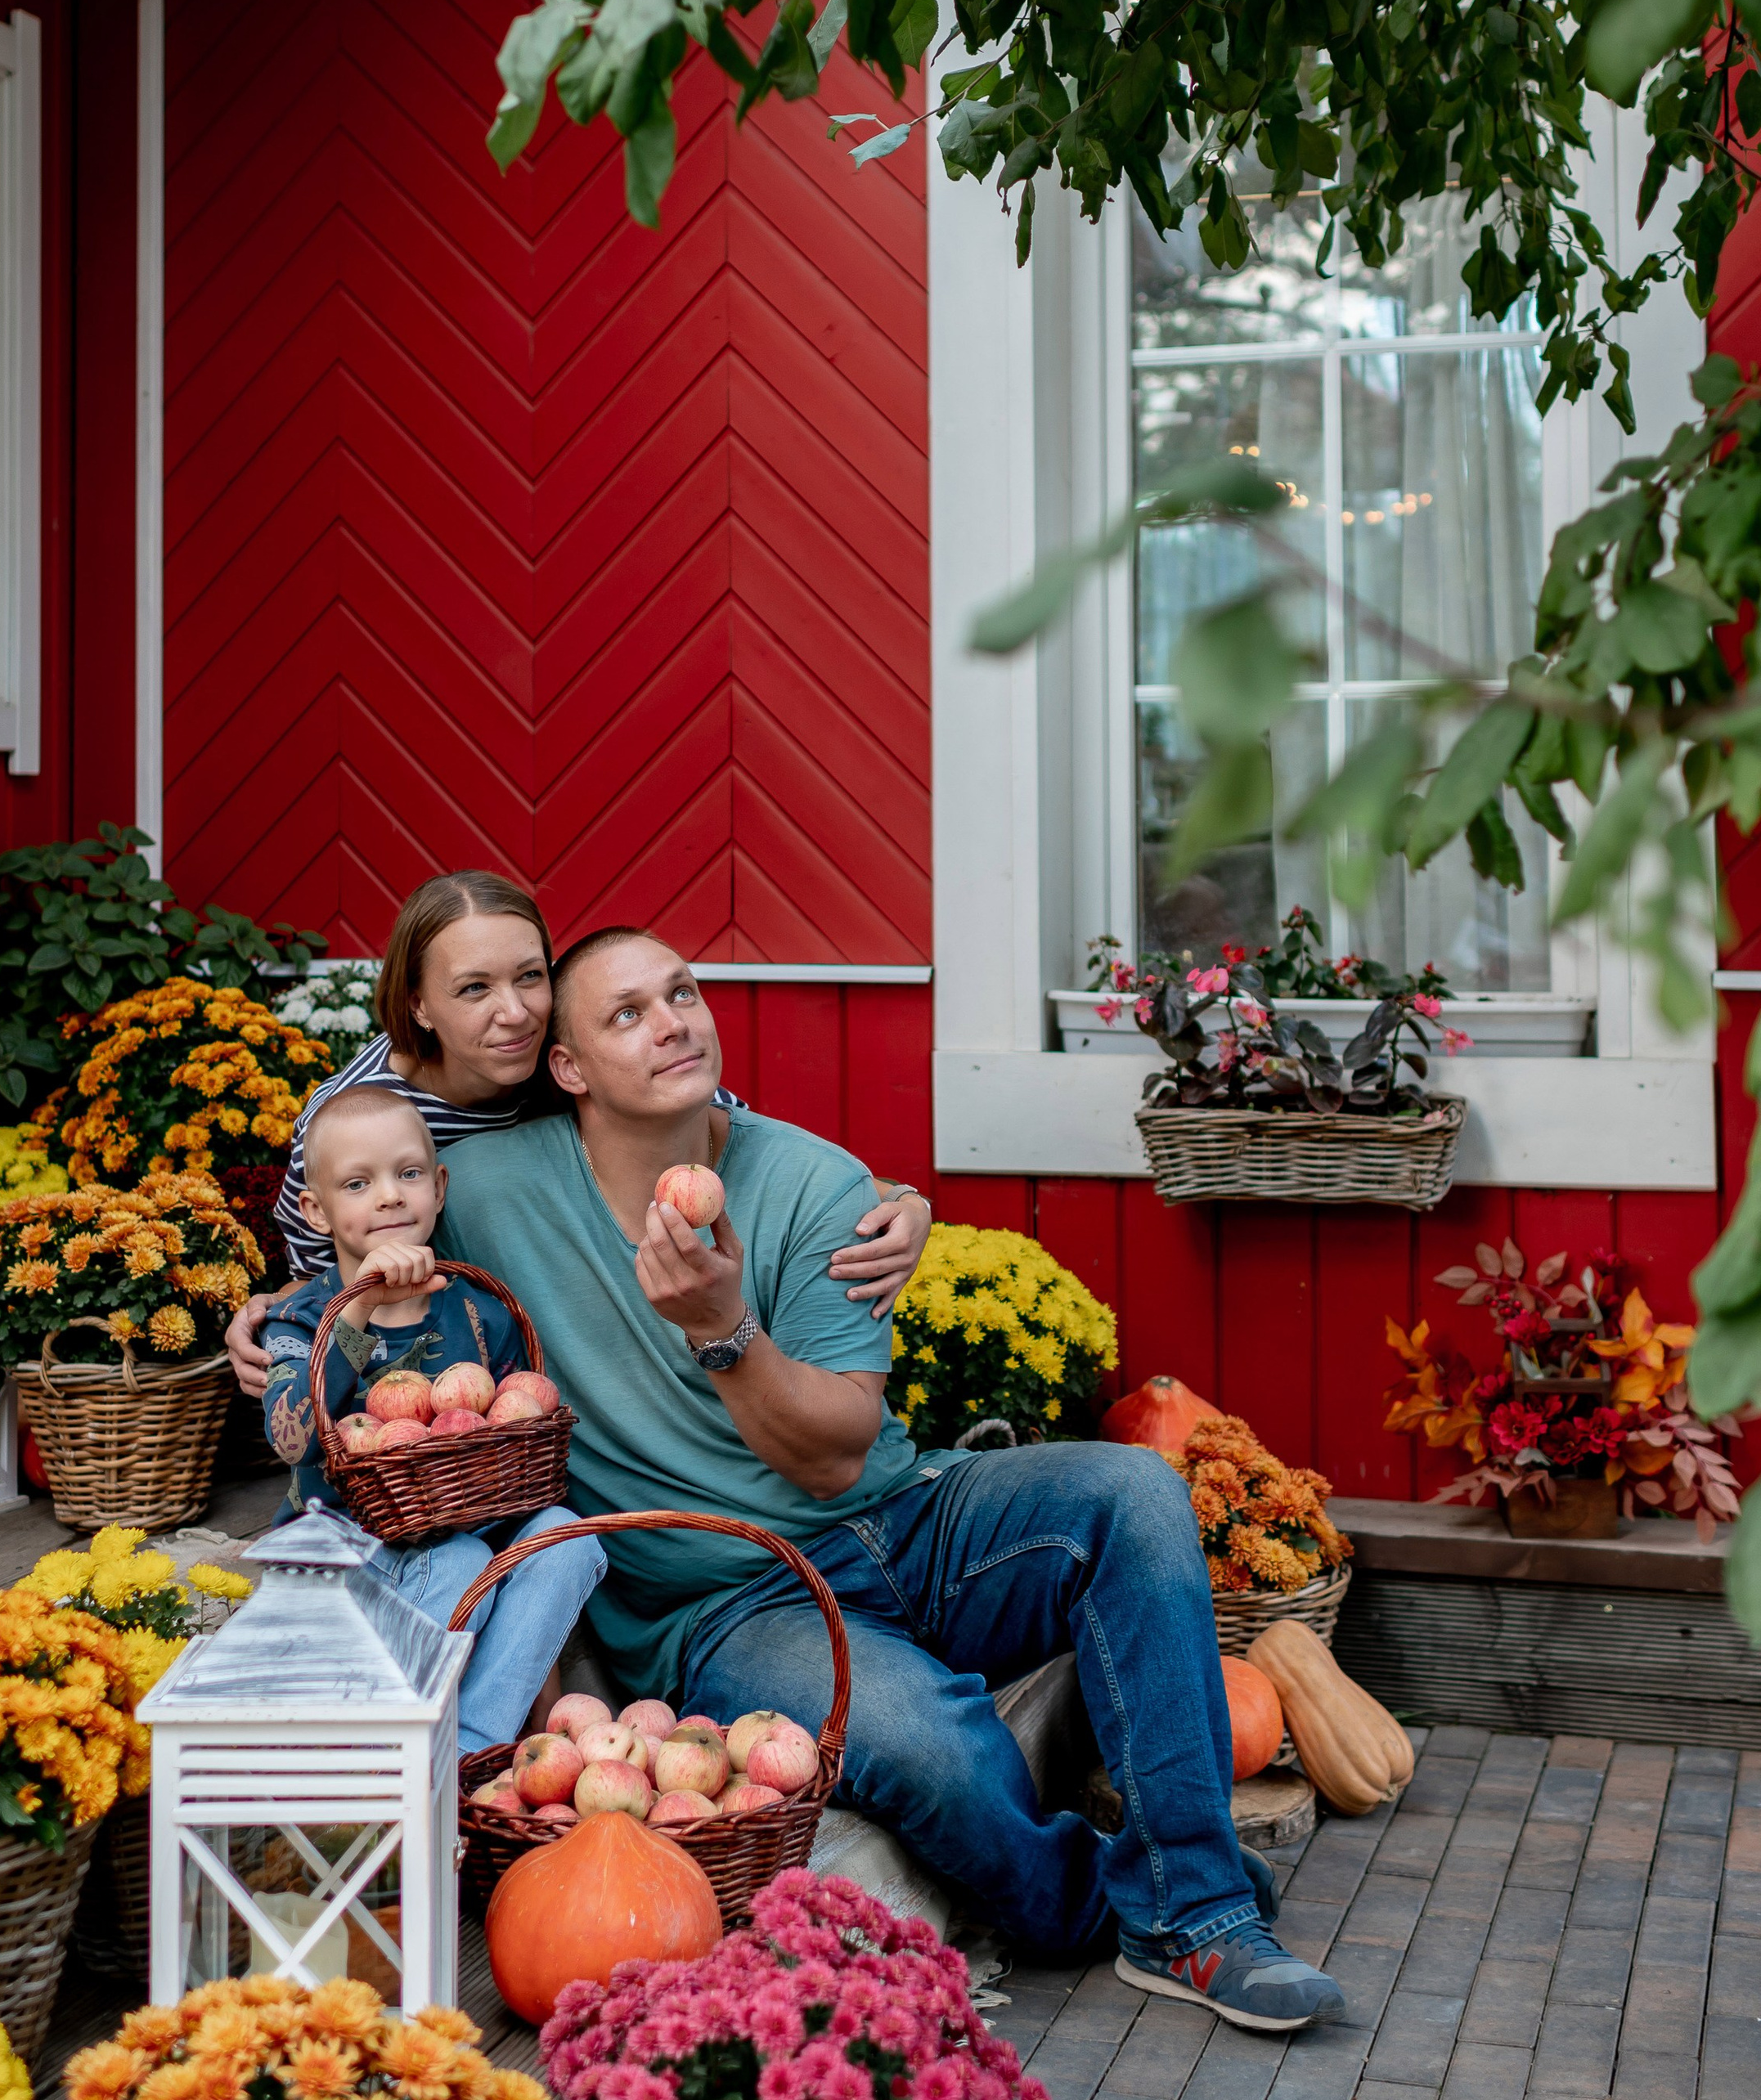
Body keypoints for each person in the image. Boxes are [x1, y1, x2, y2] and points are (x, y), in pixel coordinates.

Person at [438, 927, 1345, 2036]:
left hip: (902, 1518)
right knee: (931, 1749)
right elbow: (356, 1184)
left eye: (682, 993)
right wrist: (280, 1337)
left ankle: (1198, 1916)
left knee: (1135, 1493)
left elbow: (834, 1452)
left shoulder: (811, 1180)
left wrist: (724, 1329)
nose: (672, 1022)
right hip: (727, 1601)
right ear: (567, 1065)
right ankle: (1098, 1903)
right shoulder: (491, 1190)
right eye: (626, 1013)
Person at [225, 867, 931, 1389]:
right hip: (415, 1364)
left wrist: (903, 1201)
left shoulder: (573, 1060)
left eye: (530, 977)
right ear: (419, 1006)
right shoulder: (357, 1118)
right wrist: (268, 1319)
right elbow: (321, 1275)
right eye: (474, 988)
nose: (516, 1013)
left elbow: (740, 1141)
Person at [258, 1080, 602, 1756]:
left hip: (464, 1539)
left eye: (409, 1174)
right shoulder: (301, 1318)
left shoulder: (479, 1312)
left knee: (566, 1539)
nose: (390, 1195)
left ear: (439, 1188)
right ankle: (410, 1748)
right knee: (460, 1560)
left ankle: (470, 1749)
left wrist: (548, 1692)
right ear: (317, 1211)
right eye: (358, 1184)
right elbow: (292, 1438)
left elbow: (516, 1456)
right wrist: (359, 1310)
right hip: (347, 1557)